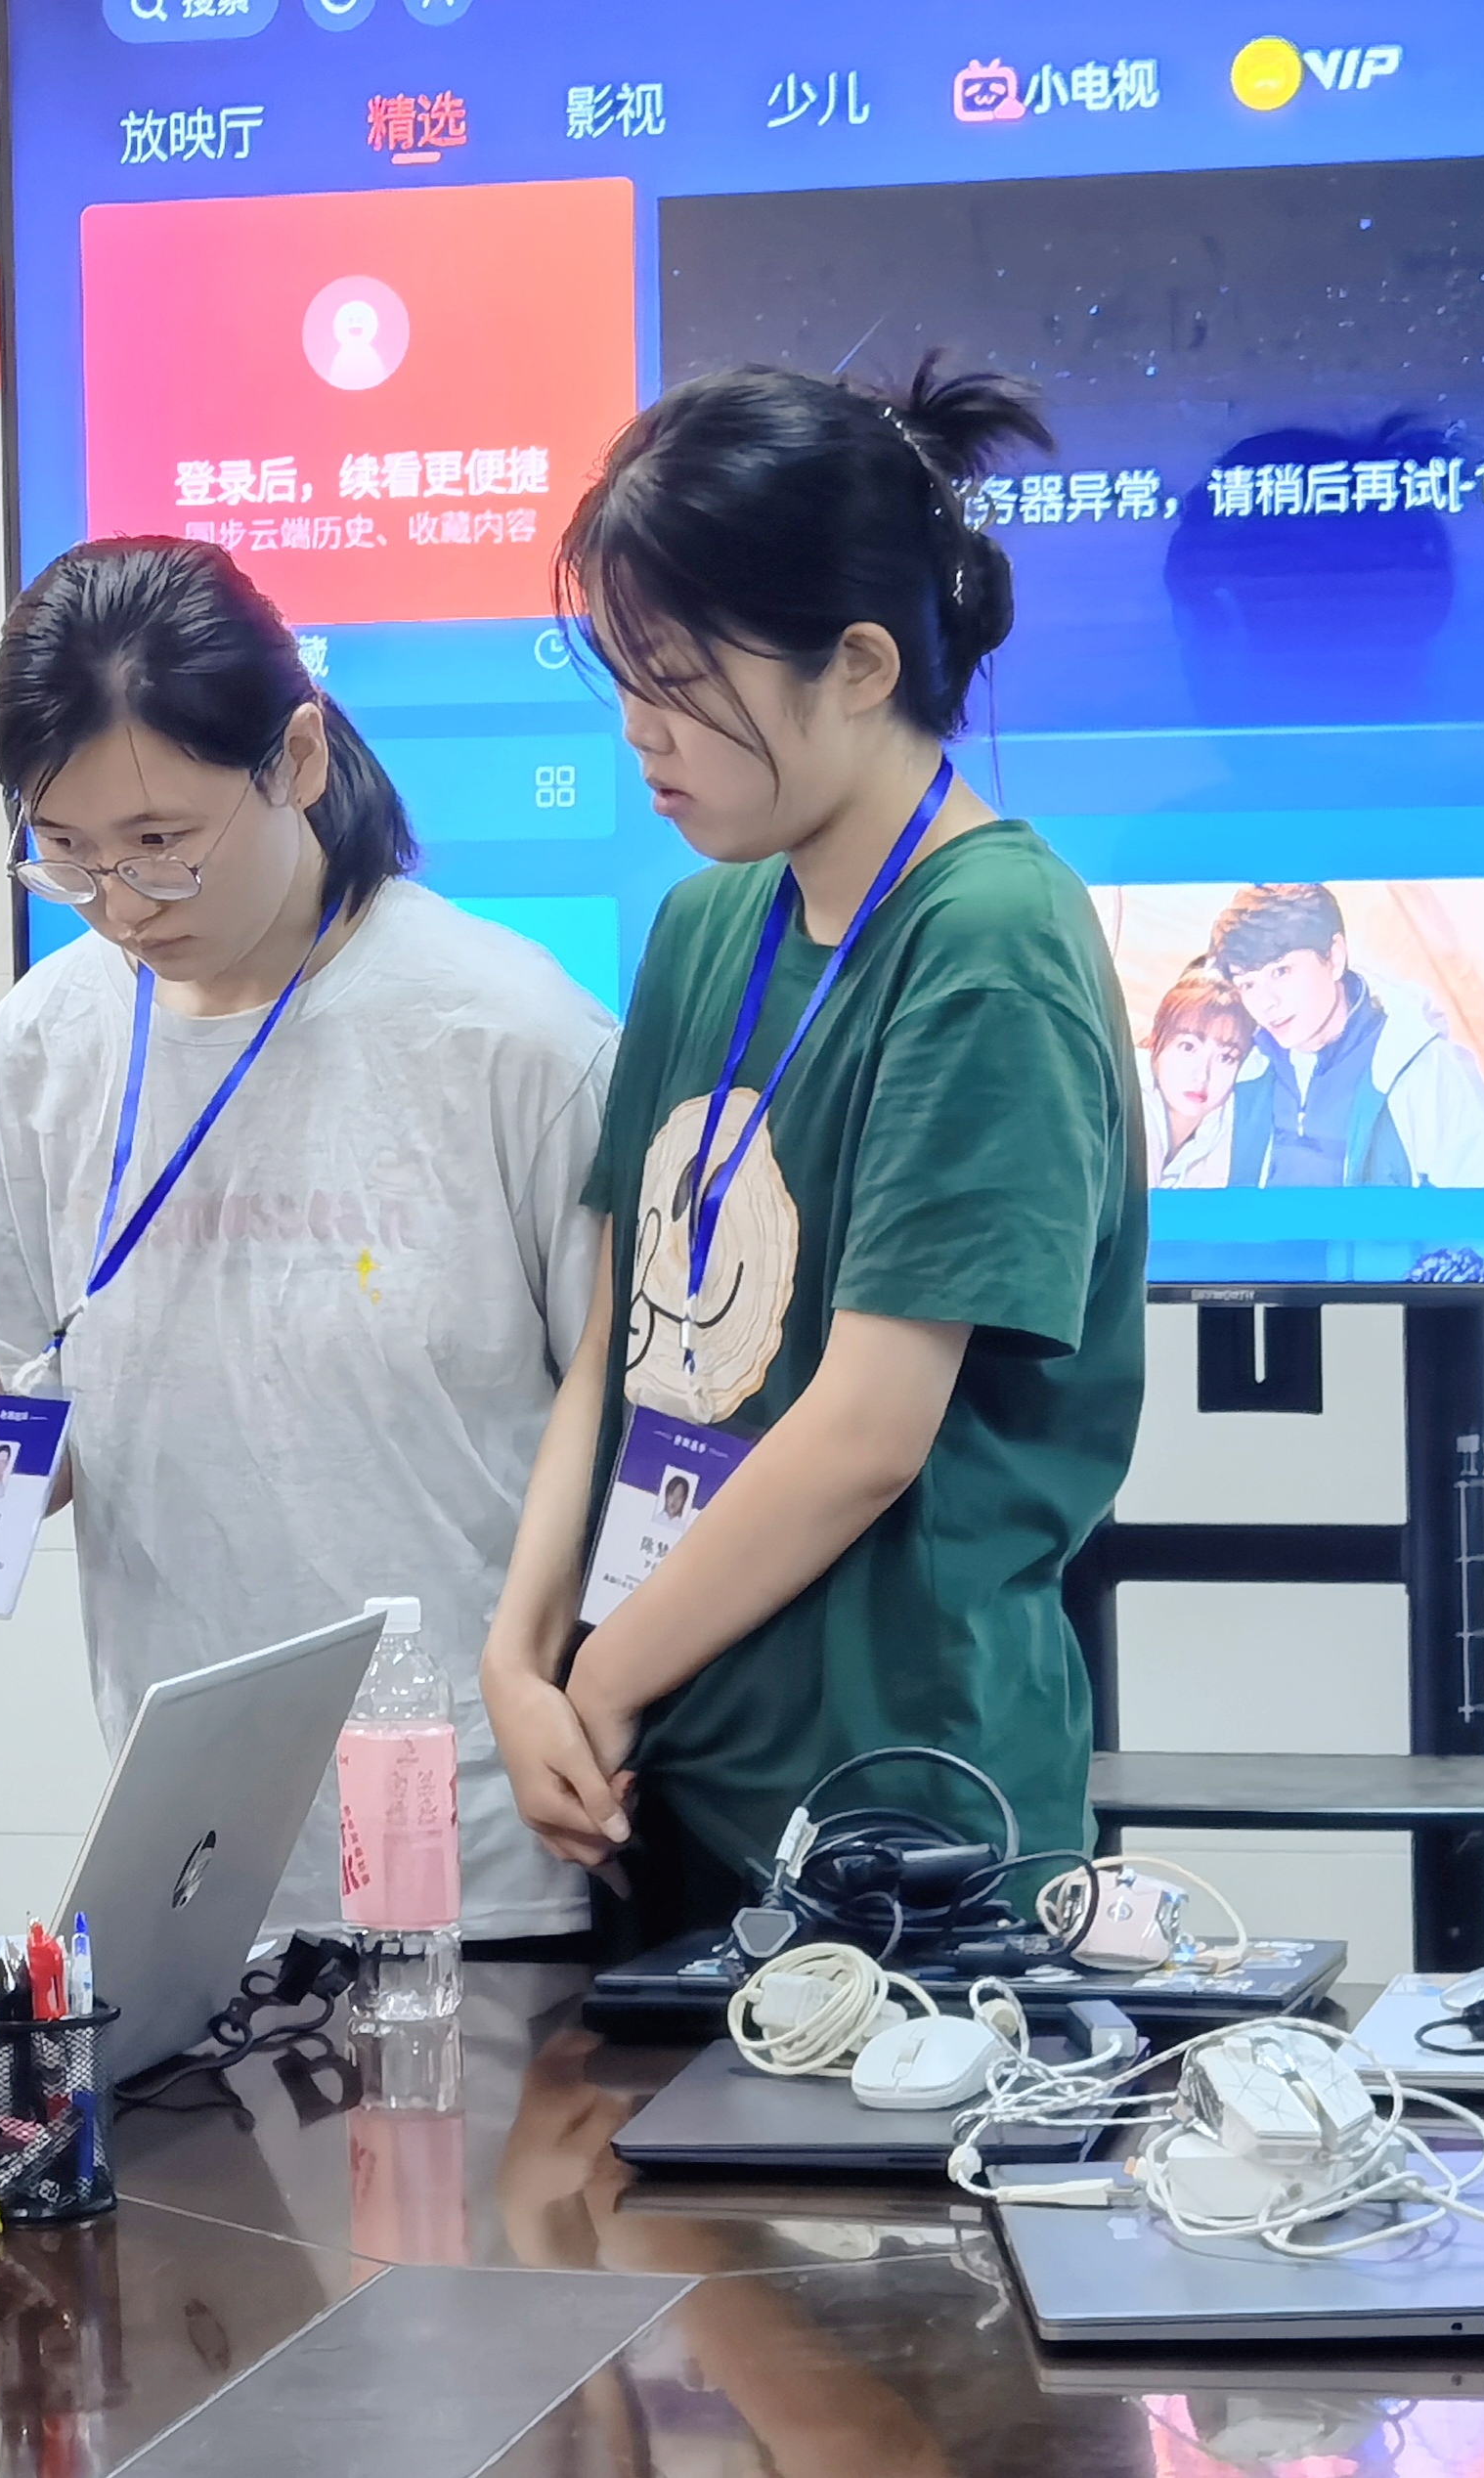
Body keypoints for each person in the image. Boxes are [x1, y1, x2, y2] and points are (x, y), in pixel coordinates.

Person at [479, 360, 1147, 1941]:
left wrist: (601, 1675)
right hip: (661, 1778)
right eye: (621, 676)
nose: (638, 731)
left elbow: (867, 1432)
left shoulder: (988, 941)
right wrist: (518, 1655)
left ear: (857, 663)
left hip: (902, 1809)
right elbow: (616, 1345)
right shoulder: (706, 920)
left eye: (677, 679)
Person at [0, 537, 616, 1946]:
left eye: (160, 842)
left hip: (479, 1847)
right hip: (191, 1860)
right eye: (66, 850)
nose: (119, 901)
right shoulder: (43, 1043)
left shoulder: (509, 1039)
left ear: (297, 758)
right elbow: (30, 1417)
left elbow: (635, 1435)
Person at [1210, 882, 1484, 1189]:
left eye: (1281, 972)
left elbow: (1481, 1207)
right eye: (1248, 984)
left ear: (1334, 957)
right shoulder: (1249, 1066)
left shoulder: (1426, 1070)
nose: (1266, 1003)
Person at [1142, 963, 1248, 1189]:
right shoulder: (1132, 1104)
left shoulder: (1230, 1121)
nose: (1202, 1076)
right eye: (1188, 1047)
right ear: (1154, 1042)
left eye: (1226, 1057)